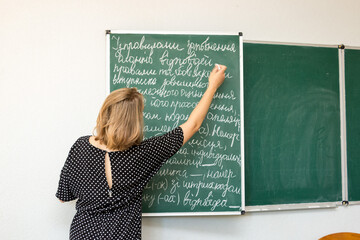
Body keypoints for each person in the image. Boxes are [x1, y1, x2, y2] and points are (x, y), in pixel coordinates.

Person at [55, 64, 227, 239]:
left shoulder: (80, 146)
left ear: (106, 112)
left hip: (81, 235)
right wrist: (212, 86)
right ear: (134, 122)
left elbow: (63, 196)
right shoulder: (142, 154)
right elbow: (193, 126)